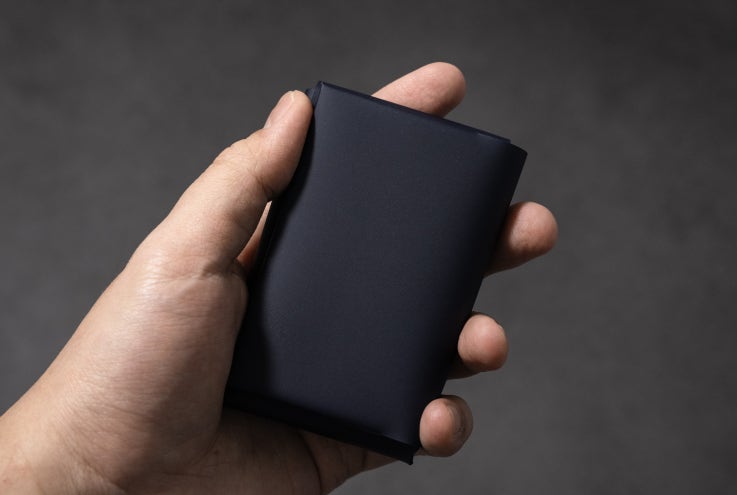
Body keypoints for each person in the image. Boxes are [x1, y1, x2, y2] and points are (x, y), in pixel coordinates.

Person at [0, 62, 557, 494]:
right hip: (284, 403)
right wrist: (82, 467)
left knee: (459, 370)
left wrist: (71, 471)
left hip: (315, 409)